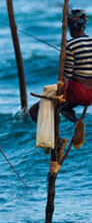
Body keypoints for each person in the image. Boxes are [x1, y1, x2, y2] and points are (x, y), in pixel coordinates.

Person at [29, 9, 92, 143]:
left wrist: (62, 59)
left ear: (68, 26)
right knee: (67, 106)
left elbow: (67, 75)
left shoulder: (69, 45)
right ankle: (73, 125)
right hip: (91, 93)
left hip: (78, 91)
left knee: (56, 108)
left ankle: (71, 125)